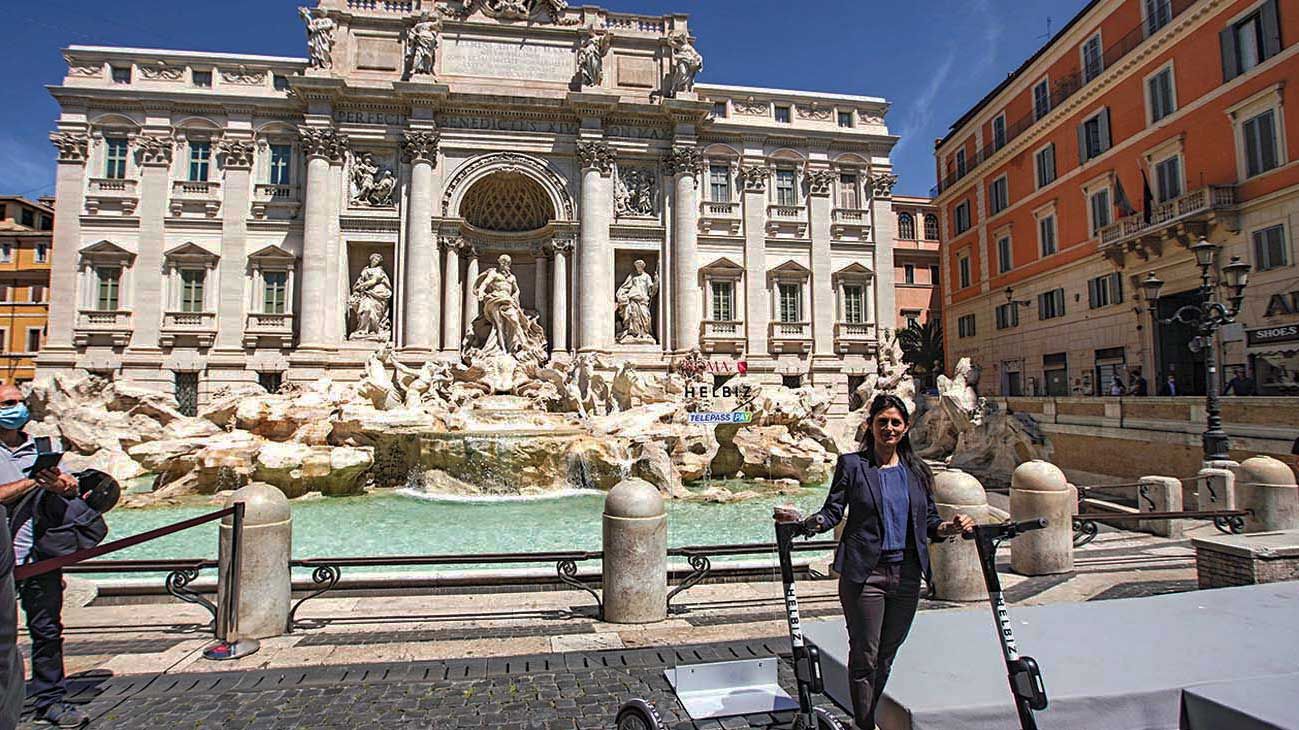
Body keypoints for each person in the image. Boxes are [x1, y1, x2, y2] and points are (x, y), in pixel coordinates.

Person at [775, 394, 974, 730]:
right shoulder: (853, 465)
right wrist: (809, 524)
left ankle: (863, 718)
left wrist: (950, 527)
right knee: (865, 655)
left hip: (908, 575)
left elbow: (929, 523)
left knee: (887, 654)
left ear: (906, 427)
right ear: (871, 425)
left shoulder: (917, 471)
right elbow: (833, 511)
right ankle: (865, 724)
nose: (889, 428)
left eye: (896, 422)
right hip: (865, 575)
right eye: (882, 422)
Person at [0, 384, 86, 727]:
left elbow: (71, 485)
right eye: (8, 403)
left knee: (47, 630)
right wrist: (33, 482)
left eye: (20, 402)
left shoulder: (43, 446)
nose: (17, 408)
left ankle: (51, 699)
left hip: (38, 554)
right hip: (2, 558)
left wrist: (62, 484)